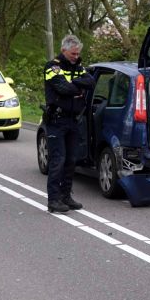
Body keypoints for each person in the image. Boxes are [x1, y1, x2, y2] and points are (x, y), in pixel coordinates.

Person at [43, 35, 95, 213]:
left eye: (78, 53)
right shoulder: (52, 66)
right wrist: (76, 88)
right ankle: (54, 200)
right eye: (73, 53)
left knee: (72, 160)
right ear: (64, 50)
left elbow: (91, 82)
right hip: (56, 121)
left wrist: (73, 83)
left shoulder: (78, 67)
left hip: (73, 120)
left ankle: (66, 196)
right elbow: (62, 88)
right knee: (58, 160)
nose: (76, 56)